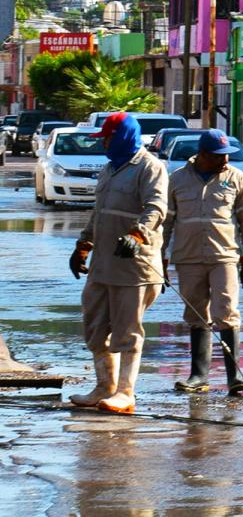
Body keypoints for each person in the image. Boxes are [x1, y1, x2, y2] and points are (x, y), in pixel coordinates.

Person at [68, 112, 168, 415]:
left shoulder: (150, 167)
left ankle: (125, 393)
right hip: (103, 264)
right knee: (95, 324)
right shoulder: (109, 169)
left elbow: (156, 207)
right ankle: (104, 386)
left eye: (107, 138)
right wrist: (84, 244)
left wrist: (138, 234)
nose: (104, 144)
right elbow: (100, 212)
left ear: (123, 137)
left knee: (127, 330)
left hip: (134, 266)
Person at [163, 129, 243, 396]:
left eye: (227, 155)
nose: (224, 160)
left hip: (224, 256)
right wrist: (160, 256)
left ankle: (234, 376)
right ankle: (198, 376)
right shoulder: (177, 179)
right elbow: (166, 222)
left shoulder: (236, 178)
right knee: (196, 314)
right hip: (188, 257)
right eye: (218, 156)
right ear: (203, 154)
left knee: (226, 311)